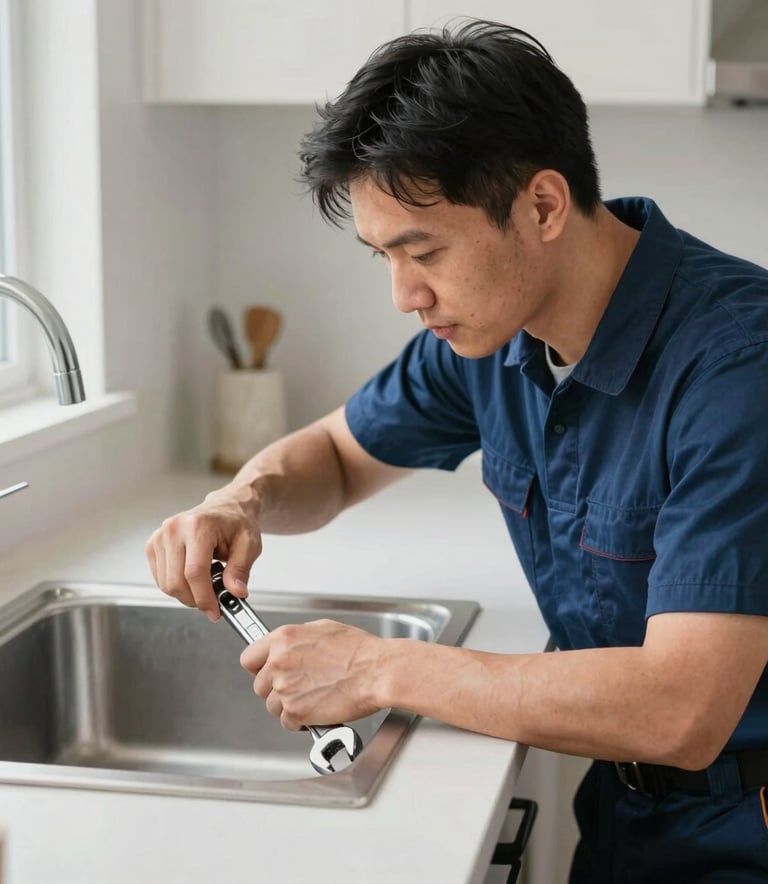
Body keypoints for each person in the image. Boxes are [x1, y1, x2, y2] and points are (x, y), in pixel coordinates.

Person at [145, 19, 768, 883]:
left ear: (543, 206)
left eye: (423, 251)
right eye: (383, 257)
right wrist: (239, 502)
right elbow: (334, 454)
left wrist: (377, 668)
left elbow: (684, 709)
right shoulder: (485, 337)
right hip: (625, 815)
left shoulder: (738, 362)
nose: (405, 294)